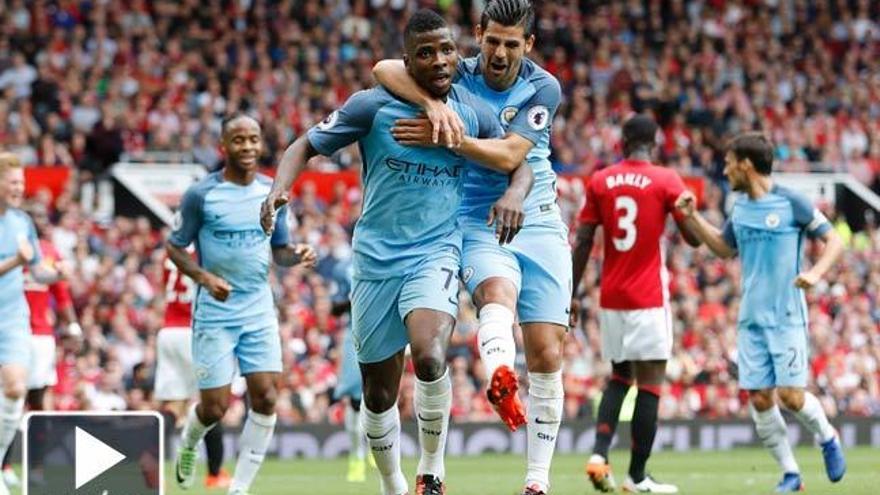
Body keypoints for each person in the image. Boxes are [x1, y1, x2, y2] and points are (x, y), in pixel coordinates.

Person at [261, 10, 531, 495]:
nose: (440, 60)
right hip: (374, 262)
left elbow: (519, 161)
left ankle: (433, 470)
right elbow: (304, 144)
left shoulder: (473, 111)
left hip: (436, 253)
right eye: (425, 53)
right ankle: (392, 484)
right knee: (378, 394)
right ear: (407, 61)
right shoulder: (372, 107)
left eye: (447, 49)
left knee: (429, 357)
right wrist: (280, 189)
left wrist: (513, 194)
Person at [373, 2, 569, 493]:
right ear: (478, 34)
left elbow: (510, 155)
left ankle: (536, 481)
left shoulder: (544, 87)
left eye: (511, 44)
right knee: (495, 294)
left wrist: (449, 138)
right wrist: (435, 105)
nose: (499, 53)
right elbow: (384, 68)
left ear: (529, 45)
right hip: (475, 219)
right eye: (492, 41)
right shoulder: (456, 70)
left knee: (547, 352)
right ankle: (500, 372)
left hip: (540, 217)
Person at [675, 132, 846, 492]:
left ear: (746, 165)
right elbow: (724, 248)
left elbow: (834, 239)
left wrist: (815, 273)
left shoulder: (791, 202)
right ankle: (790, 473)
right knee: (759, 397)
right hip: (751, 320)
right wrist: (692, 219)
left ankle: (827, 437)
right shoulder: (740, 209)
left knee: (791, 396)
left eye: (729, 163)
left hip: (786, 318)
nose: (725, 170)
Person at [168, 114, 317, 495]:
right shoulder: (201, 195)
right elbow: (174, 246)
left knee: (267, 396)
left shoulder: (272, 192)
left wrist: (295, 254)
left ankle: (240, 488)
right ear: (223, 146)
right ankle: (189, 442)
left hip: (258, 310)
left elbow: (279, 251)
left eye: (253, 140)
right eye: (239, 140)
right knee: (215, 407)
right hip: (215, 314)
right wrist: (204, 278)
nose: (248, 147)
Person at [571, 115, 700, 494]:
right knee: (651, 384)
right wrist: (689, 213)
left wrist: (571, 295)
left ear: (622, 141)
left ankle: (598, 455)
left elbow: (582, 241)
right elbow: (692, 240)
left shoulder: (600, 181)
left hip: (611, 296)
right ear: (655, 143)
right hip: (647, 297)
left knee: (619, 377)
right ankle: (637, 477)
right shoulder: (665, 180)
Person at [1, 203, 81, 489]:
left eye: (40, 218)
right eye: (32, 217)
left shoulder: (47, 253)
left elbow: (61, 294)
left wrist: (72, 326)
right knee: (10, 397)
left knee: (37, 400)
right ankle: (5, 464)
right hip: (10, 330)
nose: (37, 222)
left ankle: (34, 467)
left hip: (41, 336)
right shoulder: (7, 241)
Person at [0, 152, 61, 495]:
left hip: (11, 317)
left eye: (22, 182)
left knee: (14, 388)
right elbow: (19, 262)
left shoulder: (22, 222)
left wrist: (56, 274)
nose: (19, 188)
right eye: (13, 182)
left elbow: (36, 269)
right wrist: (14, 262)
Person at [155, 253, 230, 489]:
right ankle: (214, 474)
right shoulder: (205, 250)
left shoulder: (171, 253)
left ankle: (148, 462)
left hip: (167, 332)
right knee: (211, 402)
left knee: (173, 408)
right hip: (193, 331)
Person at [328, 256, 369, 483]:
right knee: (355, 398)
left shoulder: (392, 254)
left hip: (384, 331)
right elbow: (334, 308)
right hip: (356, 334)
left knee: (382, 395)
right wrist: (352, 301)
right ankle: (357, 456)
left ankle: (377, 445)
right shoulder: (344, 267)